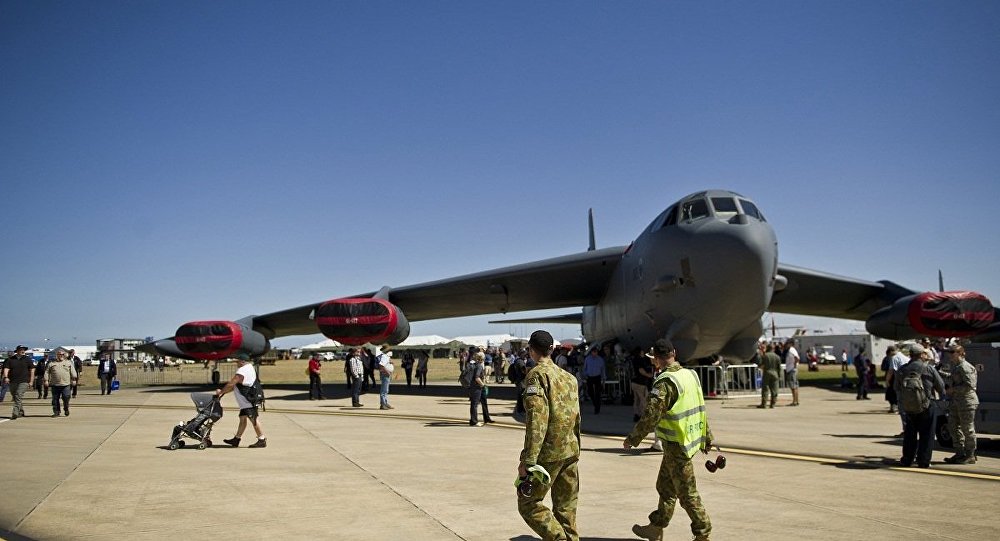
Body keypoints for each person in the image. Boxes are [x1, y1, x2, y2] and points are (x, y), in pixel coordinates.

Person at [625, 339, 712, 541]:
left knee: (687, 493)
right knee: (665, 486)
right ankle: (656, 527)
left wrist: (633, 438)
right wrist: (706, 436)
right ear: (674, 353)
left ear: (656, 359)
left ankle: (703, 533)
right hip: (687, 441)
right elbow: (701, 407)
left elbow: (650, 415)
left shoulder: (666, 382)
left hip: (678, 445)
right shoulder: (690, 375)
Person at [517, 330, 581, 541]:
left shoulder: (537, 376)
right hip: (570, 450)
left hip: (548, 453)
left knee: (528, 504)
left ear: (532, 350)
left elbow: (537, 420)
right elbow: (576, 417)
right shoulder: (569, 377)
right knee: (566, 508)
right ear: (552, 349)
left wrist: (528, 460)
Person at [893, 344, 945, 468]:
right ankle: (923, 461)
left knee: (910, 434)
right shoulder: (929, 368)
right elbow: (941, 387)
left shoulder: (902, 370)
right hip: (927, 406)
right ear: (922, 354)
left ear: (910, 354)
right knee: (927, 434)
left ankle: (907, 459)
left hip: (909, 407)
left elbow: (897, 388)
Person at [217, 353, 267, 448]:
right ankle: (236, 439)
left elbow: (232, 384)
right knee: (242, 419)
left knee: (254, 419)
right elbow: (236, 386)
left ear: (242, 361)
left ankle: (262, 439)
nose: (237, 363)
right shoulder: (249, 367)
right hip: (247, 401)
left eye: (238, 361)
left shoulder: (243, 370)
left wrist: (220, 392)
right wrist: (224, 392)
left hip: (248, 401)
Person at [943, 345, 979, 464]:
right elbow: (953, 378)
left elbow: (970, 385)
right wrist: (941, 374)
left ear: (961, 353)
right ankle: (959, 453)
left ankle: (970, 455)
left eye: (953, 352)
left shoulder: (965, 367)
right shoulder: (956, 367)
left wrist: (953, 390)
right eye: (950, 352)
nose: (950, 354)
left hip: (966, 402)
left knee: (967, 428)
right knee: (953, 426)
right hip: (956, 401)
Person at [3, 346, 35, 419]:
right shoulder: (10, 359)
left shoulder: (27, 359)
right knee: (15, 397)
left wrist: (31, 381)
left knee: (18, 395)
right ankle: (21, 411)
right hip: (13, 381)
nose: (23, 351)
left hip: (24, 381)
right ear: (17, 351)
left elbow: (32, 370)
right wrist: (6, 377)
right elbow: (6, 369)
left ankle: (15, 413)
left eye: (24, 350)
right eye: (21, 350)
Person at [44, 350, 78, 417]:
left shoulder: (68, 363)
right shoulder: (51, 363)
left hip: (66, 384)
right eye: (59, 354)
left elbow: (73, 372)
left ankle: (66, 408)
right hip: (55, 384)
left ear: (64, 355)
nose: (61, 356)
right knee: (55, 399)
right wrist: (46, 380)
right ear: (57, 355)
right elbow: (47, 372)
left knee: (66, 397)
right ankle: (56, 411)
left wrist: (74, 379)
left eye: (62, 354)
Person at [468, 351, 494, 426]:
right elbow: (477, 377)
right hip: (477, 387)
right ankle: (474, 421)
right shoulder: (479, 366)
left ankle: (486, 418)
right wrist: (483, 385)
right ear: (482, 358)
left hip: (474, 386)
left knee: (482, 402)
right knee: (474, 404)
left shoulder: (474, 364)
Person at [630, 346, 654, 422]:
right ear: (640, 352)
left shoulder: (634, 359)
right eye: (642, 351)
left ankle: (636, 414)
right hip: (640, 383)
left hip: (634, 382)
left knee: (636, 399)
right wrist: (649, 375)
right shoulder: (639, 360)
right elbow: (641, 370)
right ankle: (643, 415)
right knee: (643, 399)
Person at [582, 344, 606, 414]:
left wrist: (604, 379)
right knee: (590, 392)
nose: (595, 353)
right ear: (591, 352)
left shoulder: (600, 359)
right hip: (590, 377)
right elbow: (585, 368)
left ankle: (597, 408)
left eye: (596, 352)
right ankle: (594, 402)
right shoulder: (587, 359)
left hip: (597, 377)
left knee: (598, 393)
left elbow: (603, 369)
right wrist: (585, 374)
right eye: (594, 352)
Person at [757, 343, 781, 408]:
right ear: (773, 349)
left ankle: (764, 404)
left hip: (767, 372)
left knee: (765, 389)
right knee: (774, 389)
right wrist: (779, 375)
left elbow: (760, 364)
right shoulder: (777, 357)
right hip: (775, 373)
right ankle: (773, 404)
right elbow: (779, 367)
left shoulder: (765, 356)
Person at [377, 345, 394, 410]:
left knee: (386, 390)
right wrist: (387, 372)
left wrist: (390, 362)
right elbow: (381, 365)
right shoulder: (384, 357)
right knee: (384, 390)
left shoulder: (386, 357)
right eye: (389, 350)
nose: (390, 351)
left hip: (386, 374)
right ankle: (383, 404)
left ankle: (385, 403)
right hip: (385, 374)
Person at [784, 339, 800, 406]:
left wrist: (794, 365)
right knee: (793, 386)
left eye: (787, 343)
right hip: (790, 369)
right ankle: (795, 400)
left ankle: (795, 401)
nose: (786, 344)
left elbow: (797, 358)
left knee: (794, 386)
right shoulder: (790, 350)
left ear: (790, 344)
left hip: (792, 370)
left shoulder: (791, 349)